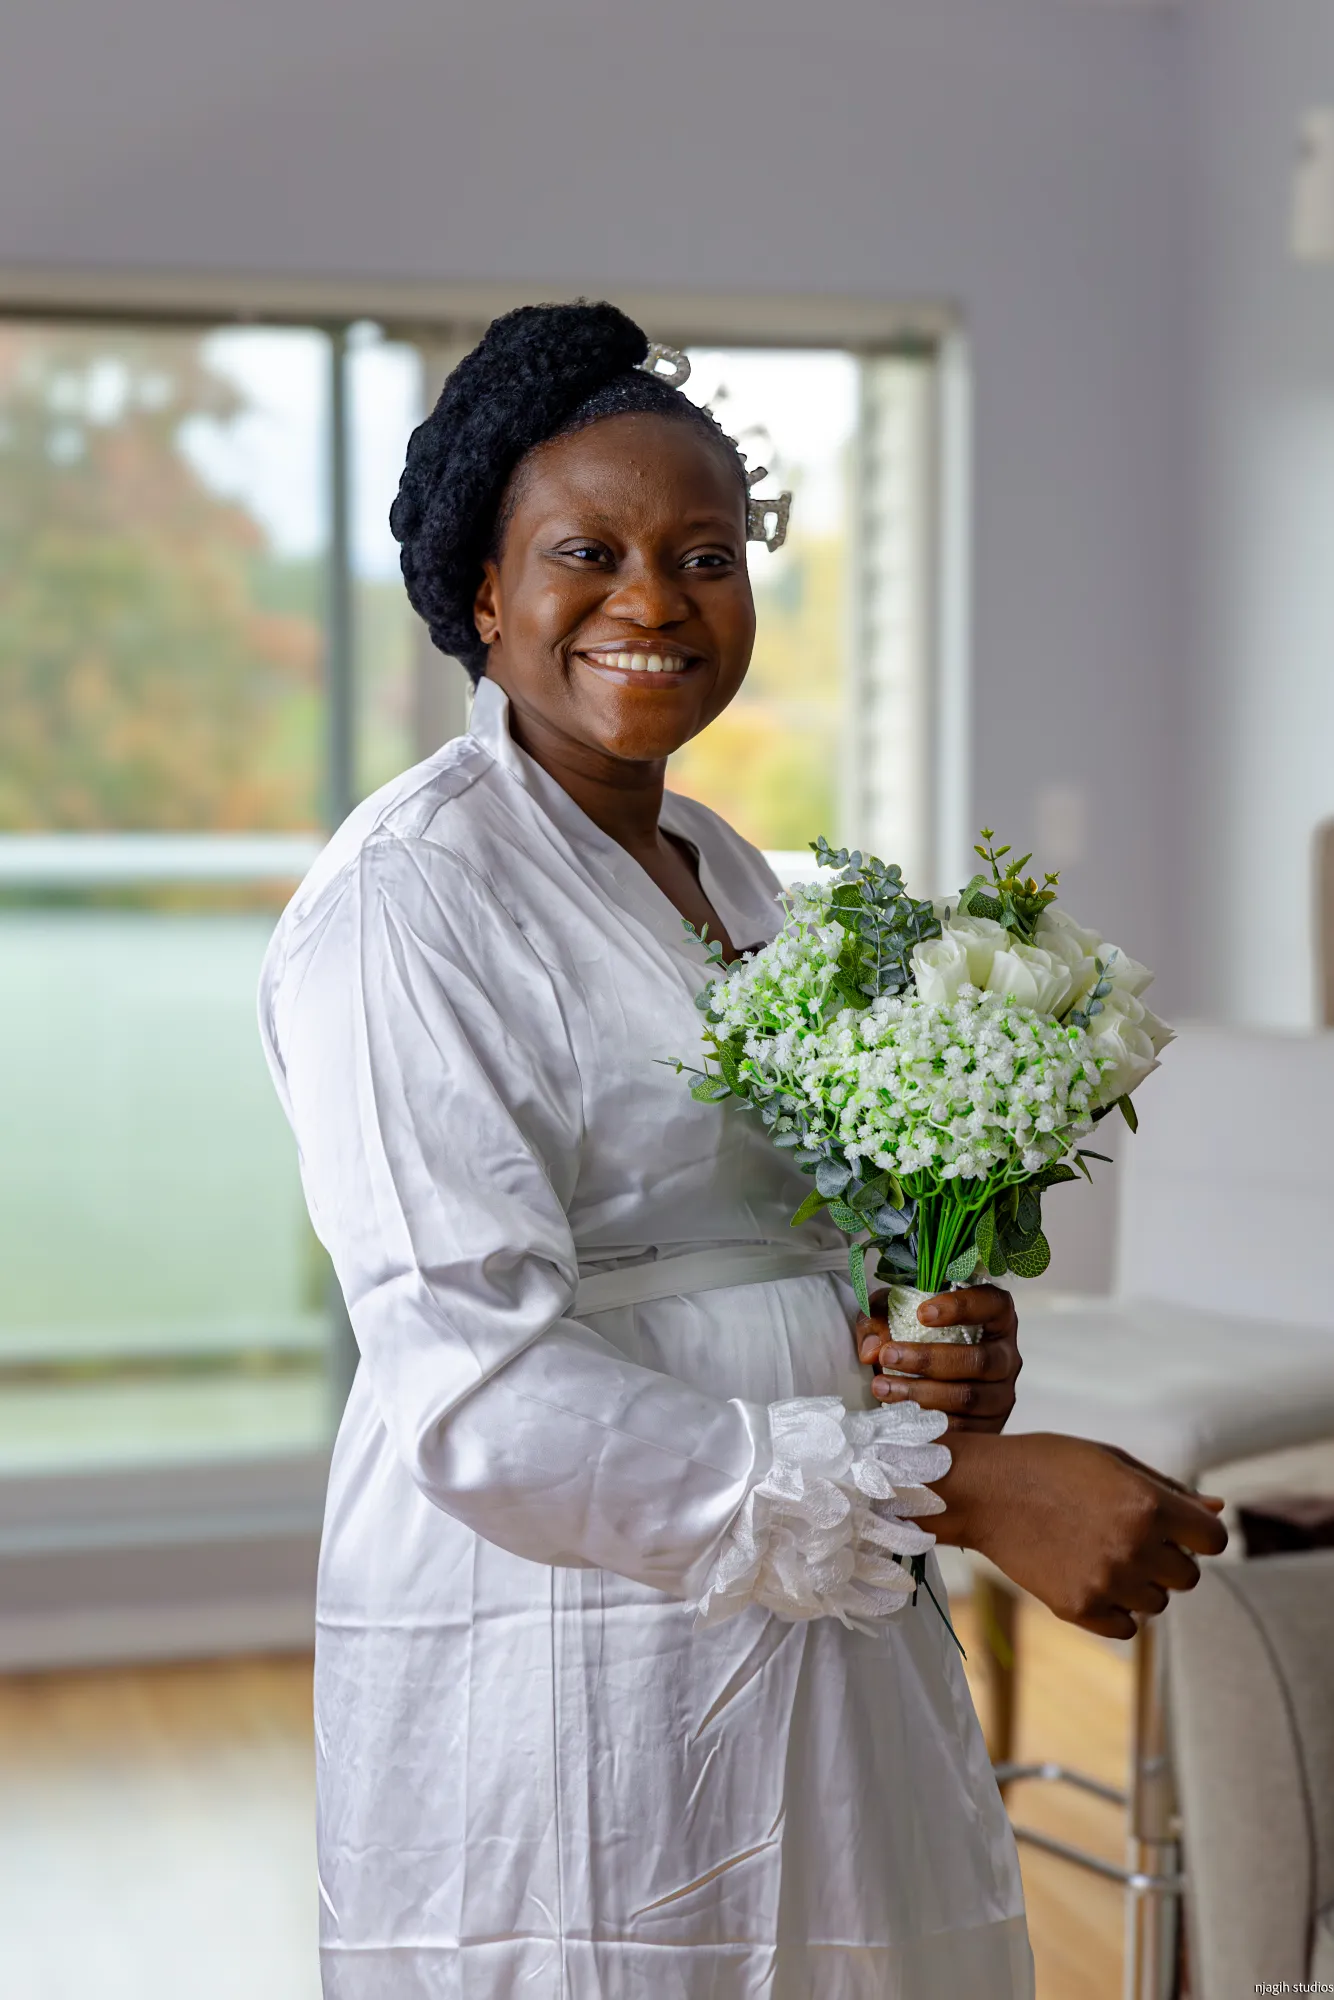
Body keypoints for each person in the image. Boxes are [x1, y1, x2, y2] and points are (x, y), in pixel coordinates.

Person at [259, 301, 1226, 1998]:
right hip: (575, 1609)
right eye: (588, 550)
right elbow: (477, 1394)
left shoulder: (728, 870)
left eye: (704, 552)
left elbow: (757, 1215)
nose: (652, 596)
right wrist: (961, 1489)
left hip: (816, 1588)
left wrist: (911, 1330)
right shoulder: (408, 901)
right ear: (483, 596)